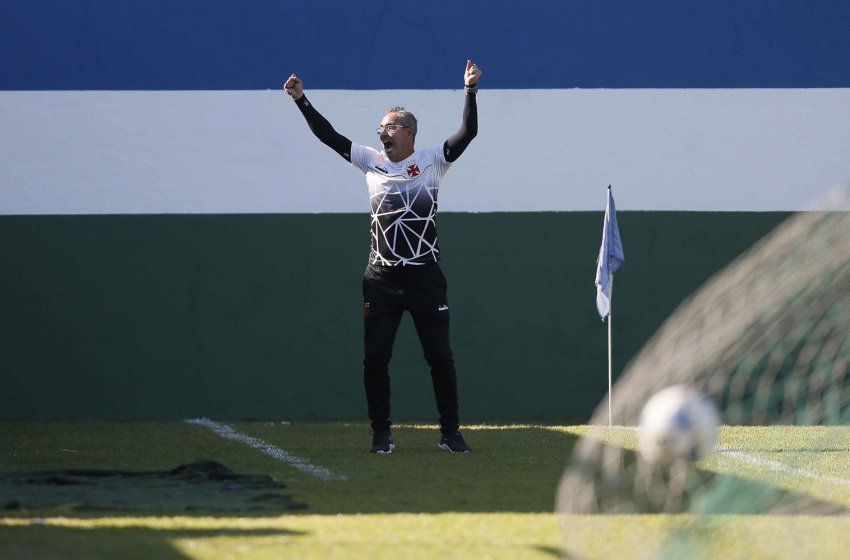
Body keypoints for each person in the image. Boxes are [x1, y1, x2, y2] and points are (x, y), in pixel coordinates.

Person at [284, 60, 481, 454]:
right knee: (375, 360)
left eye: (390, 127)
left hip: (424, 276)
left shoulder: (433, 160)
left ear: (409, 132)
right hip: (381, 279)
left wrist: (470, 91)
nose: (382, 132)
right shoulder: (369, 160)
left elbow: (468, 132)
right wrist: (301, 100)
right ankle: (381, 434)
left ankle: (450, 434)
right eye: (380, 128)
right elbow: (329, 136)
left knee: (440, 359)